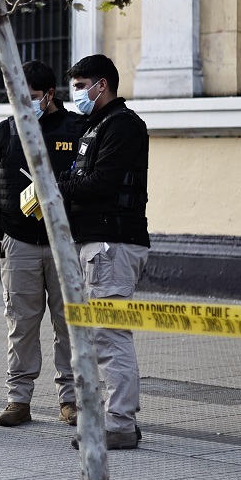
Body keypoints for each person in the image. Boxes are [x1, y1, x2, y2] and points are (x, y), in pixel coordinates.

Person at [0, 60, 83, 428]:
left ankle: (70, 399)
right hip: (17, 241)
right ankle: (18, 400)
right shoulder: (4, 133)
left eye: (31, 97)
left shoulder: (76, 129)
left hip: (64, 244)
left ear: (49, 95)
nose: (23, 104)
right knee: (21, 324)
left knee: (69, 324)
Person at [58, 54, 150, 451]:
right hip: (95, 243)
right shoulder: (95, 126)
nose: (76, 93)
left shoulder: (123, 125)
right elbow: (82, 179)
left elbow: (100, 183)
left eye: (81, 86)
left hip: (112, 244)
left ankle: (120, 425)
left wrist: (56, 183)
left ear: (102, 85)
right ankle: (114, 418)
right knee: (99, 336)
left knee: (110, 337)